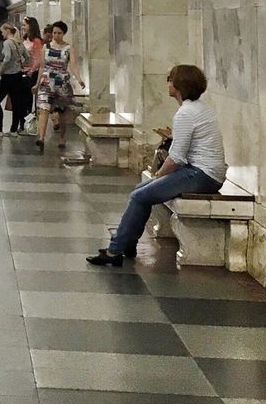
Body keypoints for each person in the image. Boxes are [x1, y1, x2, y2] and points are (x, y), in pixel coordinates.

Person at [87, 64, 226, 266]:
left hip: (201, 175)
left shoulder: (186, 113)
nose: (167, 83)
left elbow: (176, 157)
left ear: (178, 85)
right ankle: (127, 244)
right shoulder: (199, 109)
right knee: (139, 190)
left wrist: (159, 175)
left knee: (139, 195)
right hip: (203, 172)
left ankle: (115, 250)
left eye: (170, 79)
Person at [35, 21, 83, 152]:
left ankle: (62, 136)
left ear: (64, 33)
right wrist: (37, 83)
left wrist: (79, 79)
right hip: (47, 81)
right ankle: (41, 137)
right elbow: (42, 66)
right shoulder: (46, 47)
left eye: (59, 33)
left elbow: (72, 65)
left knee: (61, 112)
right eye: (54, 33)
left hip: (61, 82)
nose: (56, 35)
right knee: (43, 108)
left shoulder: (68, 48)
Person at [0, 22, 26, 136]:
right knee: (15, 102)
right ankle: (13, 130)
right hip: (18, 75)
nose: (1, 33)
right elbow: (27, 58)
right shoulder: (19, 42)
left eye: (2, 31)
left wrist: (2, 70)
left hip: (8, 76)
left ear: (7, 31)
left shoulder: (7, 43)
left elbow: (7, 58)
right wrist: (20, 65)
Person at [16, 16, 44, 132]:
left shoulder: (37, 41)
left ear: (31, 26)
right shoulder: (24, 39)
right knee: (21, 99)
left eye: (24, 25)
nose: (23, 27)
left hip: (32, 73)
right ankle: (22, 122)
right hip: (22, 71)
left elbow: (38, 59)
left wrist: (31, 70)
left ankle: (28, 124)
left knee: (28, 99)